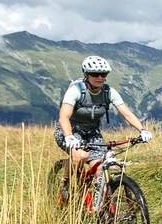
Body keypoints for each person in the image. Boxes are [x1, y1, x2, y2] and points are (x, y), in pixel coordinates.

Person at [54, 55, 152, 202]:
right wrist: (69, 136)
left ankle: (97, 207)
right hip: (69, 130)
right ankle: (65, 183)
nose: (99, 77)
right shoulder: (76, 91)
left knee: (100, 167)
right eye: (94, 74)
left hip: (92, 132)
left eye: (103, 74)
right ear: (86, 74)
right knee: (81, 156)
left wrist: (142, 129)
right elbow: (64, 117)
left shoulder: (108, 92)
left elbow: (126, 113)